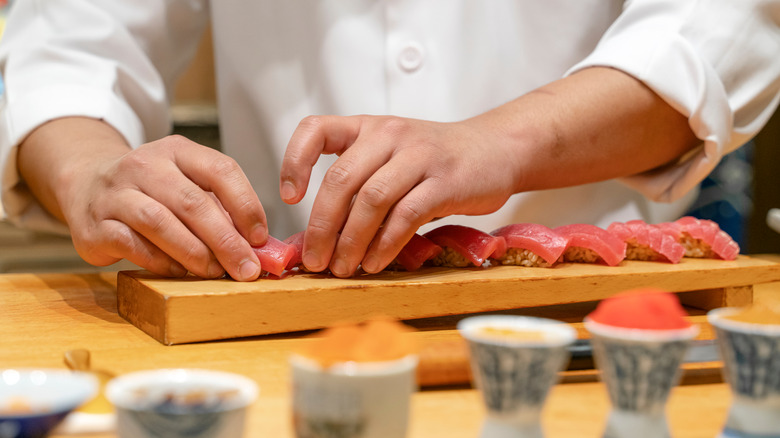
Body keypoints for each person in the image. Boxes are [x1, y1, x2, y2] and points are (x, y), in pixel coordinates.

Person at [1, 1, 779, 281]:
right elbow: (73, 46)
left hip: (588, 318)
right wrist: (92, 172)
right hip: (284, 323)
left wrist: (501, 143)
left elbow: (724, 24)